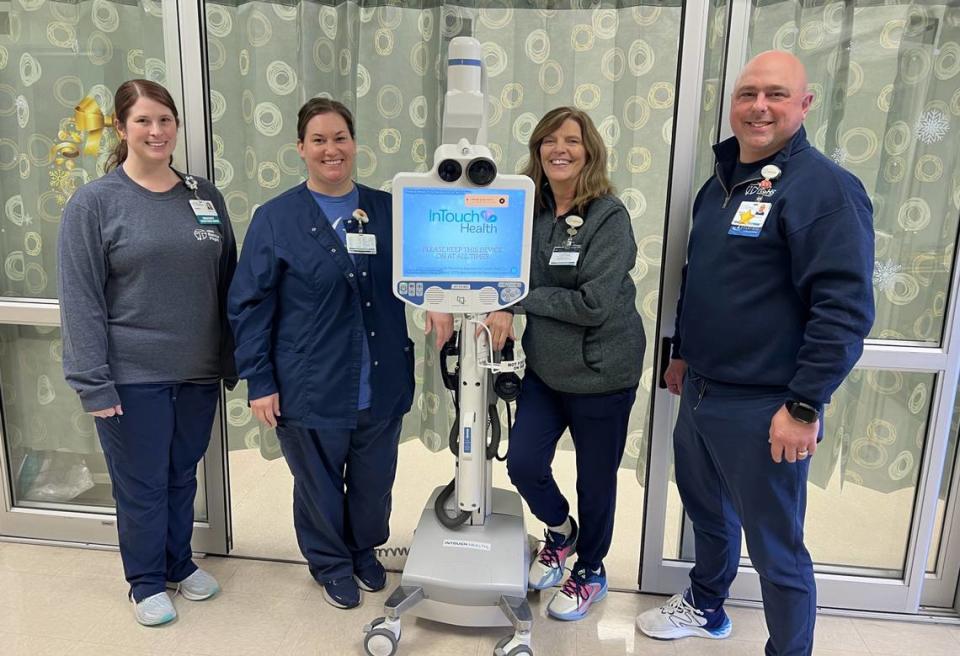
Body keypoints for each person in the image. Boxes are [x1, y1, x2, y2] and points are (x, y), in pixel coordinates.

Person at [635, 51, 874, 655]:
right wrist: (683, 354)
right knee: (708, 515)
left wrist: (803, 404)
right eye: (747, 95)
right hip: (702, 391)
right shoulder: (722, 182)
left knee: (777, 549)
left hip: (768, 405)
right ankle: (707, 605)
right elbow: (705, 276)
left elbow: (843, 311)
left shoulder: (825, 190)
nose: (758, 107)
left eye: (775, 94)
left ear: (804, 104)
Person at [228, 98, 451, 610]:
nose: (332, 149)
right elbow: (248, 305)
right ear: (301, 149)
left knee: (373, 485)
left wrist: (437, 301)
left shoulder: (387, 209)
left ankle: (363, 550)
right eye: (320, 140)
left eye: (341, 138)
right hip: (310, 382)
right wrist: (259, 380)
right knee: (319, 487)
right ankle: (330, 563)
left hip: (381, 379)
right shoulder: (277, 218)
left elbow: (427, 260)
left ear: (355, 143)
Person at [58, 79, 237, 626]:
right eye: (143, 121)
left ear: (177, 126)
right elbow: (81, 297)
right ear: (120, 128)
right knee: (142, 483)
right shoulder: (95, 204)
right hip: (132, 375)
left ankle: (179, 563)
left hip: (197, 370)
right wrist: (93, 381)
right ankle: (144, 581)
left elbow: (229, 279)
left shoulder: (203, 196)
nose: (156, 131)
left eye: (165, 120)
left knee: (183, 475)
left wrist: (234, 358)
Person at [483, 107, 645, 621]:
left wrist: (520, 299)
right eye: (549, 140)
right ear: (537, 150)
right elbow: (500, 267)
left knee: (595, 481)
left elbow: (594, 304)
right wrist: (494, 298)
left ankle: (591, 570)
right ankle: (561, 532)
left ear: (588, 150)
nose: (560, 148)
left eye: (571, 140)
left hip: (603, 371)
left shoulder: (608, 216)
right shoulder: (527, 211)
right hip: (548, 370)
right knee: (523, 461)